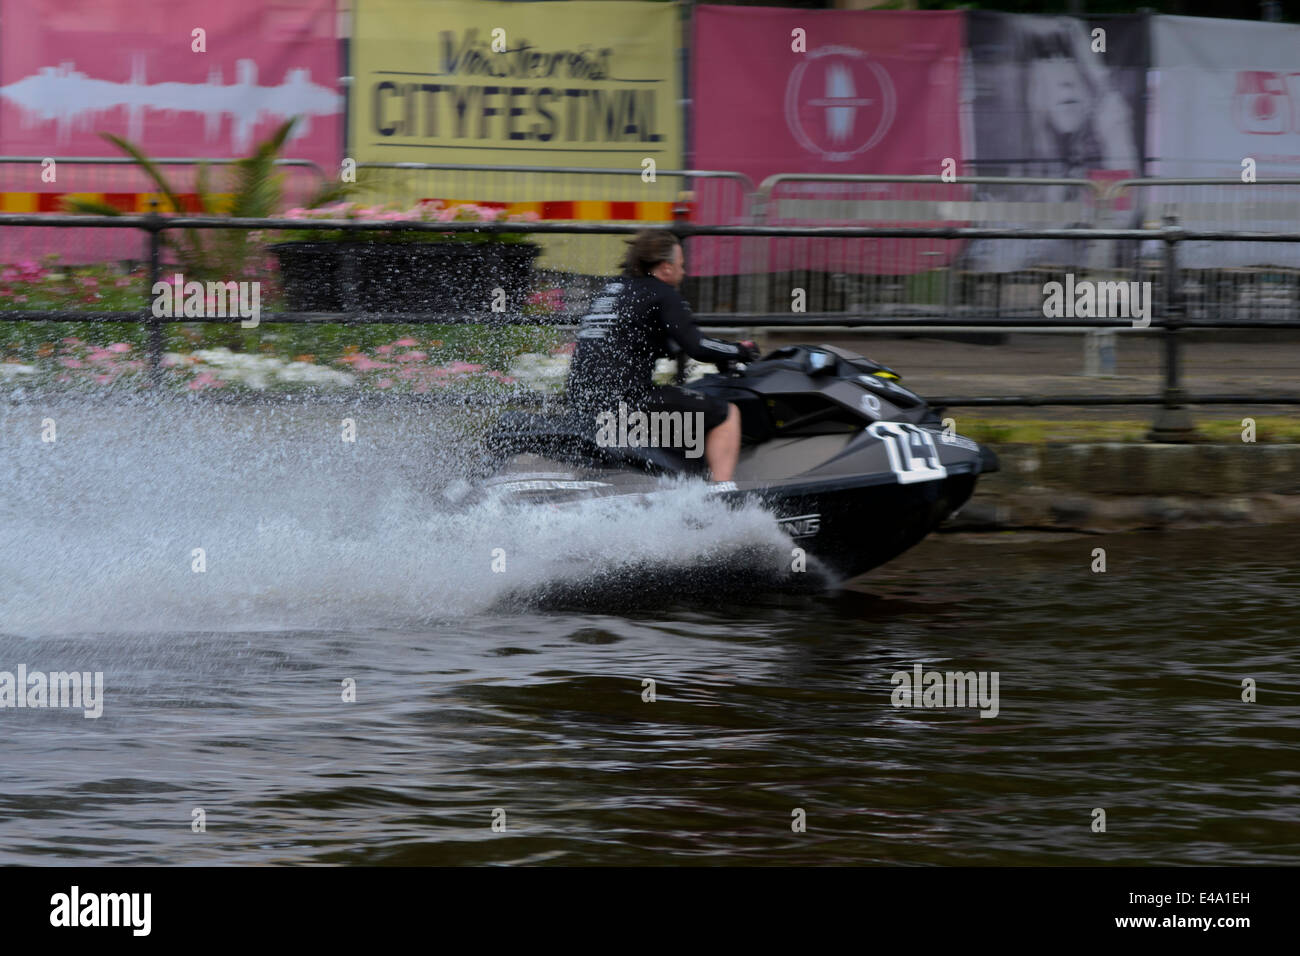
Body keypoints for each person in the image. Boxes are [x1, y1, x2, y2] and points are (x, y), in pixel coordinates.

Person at [565, 229, 759, 483]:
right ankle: (722, 499)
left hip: (581, 401)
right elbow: (697, 346)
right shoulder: (663, 294)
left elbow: (630, 337)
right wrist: (741, 350)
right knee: (726, 414)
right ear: (666, 268)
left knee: (674, 400)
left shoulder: (612, 290)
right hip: (627, 402)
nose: (684, 272)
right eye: (681, 266)